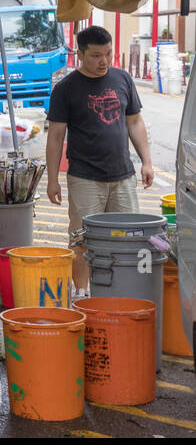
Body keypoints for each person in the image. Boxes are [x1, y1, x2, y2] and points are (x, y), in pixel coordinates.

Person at [46, 25, 155, 295]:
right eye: (96, 55)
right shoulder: (66, 88)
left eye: (108, 54)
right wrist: (51, 180)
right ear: (80, 54)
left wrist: (147, 161)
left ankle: (123, 292)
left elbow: (135, 122)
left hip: (123, 176)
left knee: (127, 239)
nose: (104, 61)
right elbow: (56, 136)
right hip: (84, 178)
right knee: (82, 240)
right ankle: (82, 293)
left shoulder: (122, 79)